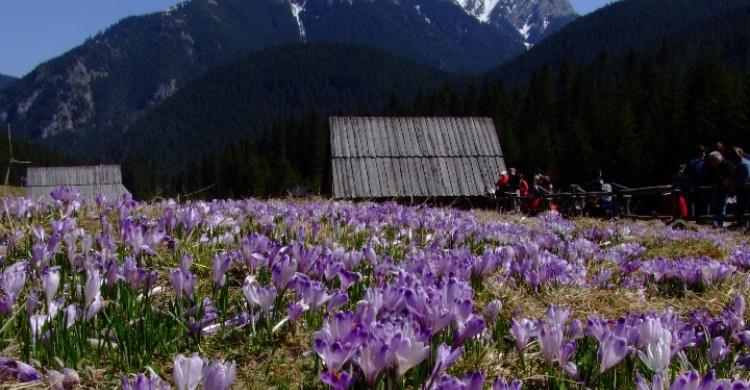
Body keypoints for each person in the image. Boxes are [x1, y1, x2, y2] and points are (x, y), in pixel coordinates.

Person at [726, 147, 750, 230]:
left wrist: (731, 183)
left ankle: (742, 226)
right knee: (742, 208)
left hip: (746, 191)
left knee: (744, 208)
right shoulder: (743, 163)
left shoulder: (743, 164)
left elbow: (743, 179)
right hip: (743, 191)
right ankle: (742, 225)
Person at [707, 150, 732, 228]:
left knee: (721, 207)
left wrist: (722, 179)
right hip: (715, 190)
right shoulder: (712, 167)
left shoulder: (726, 165)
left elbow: (728, 179)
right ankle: (714, 223)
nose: (712, 163)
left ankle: (719, 224)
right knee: (713, 206)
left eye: (713, 161)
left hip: (724, 190)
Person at [681, 145, 708, 217]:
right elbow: (689, 175)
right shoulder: (694, 163)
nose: (704, 154)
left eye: (704, 152)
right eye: (702, 152)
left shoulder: (704, 162)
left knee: (699, 205)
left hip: (700, 187)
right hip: (696, 187)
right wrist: (691, 185)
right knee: (697, 206)